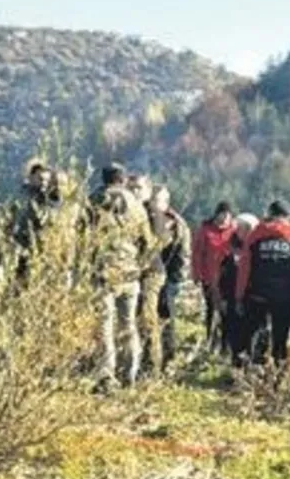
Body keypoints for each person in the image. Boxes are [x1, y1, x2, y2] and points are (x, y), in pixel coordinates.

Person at [84, 163, 153, 389]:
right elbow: (147, 241)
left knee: (104, 325)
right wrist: (139, 264)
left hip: (103, 272)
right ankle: (129, 372)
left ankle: (106, 375)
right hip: (130, 273)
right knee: (128, 323)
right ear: (122, 179)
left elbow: (81, 233)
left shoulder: (94, 200)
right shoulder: (136, 204)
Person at [235, 200, 290, 365]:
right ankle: (278, 374)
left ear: (269, 215)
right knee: (281, 337)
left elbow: (244, 269)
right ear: (287, 217)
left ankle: (256, 370)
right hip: (286, 297)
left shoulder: (254, 237)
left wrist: (239, 296)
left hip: (257, 295)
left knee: (257, 333)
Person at [142, 185, 190, 372]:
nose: (153, 203)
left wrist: (176, 278)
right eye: (152, 199)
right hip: (148, 275)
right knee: (147, 317)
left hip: (169, 274)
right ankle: (150, 357)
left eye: (158, 200)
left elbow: (183, 252)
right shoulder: (144, 218)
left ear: (165, 202)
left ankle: (168, 358)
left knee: (166, 315)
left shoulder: (176, 223)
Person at [192, 201, 236, 351]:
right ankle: (210, 340)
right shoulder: (205, 230)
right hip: (209, 277)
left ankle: (225, 344)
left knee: (227, 312)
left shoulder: (234, 231)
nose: (224, 219)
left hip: (228, 279)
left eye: (227, 216)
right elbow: (197, 254)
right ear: (216, 215)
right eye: (221, 215)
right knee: (211, 309)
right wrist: (197, 275)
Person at [219, 213, 257, 364]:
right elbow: (222, 273)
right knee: (233, 329)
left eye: (247, 229)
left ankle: (249, 362)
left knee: (250, 331)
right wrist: (222, 295)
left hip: (252, 295)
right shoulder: (230, 247)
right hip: (231, 294)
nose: (244, 232)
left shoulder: (257, 247)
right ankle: (236, 363)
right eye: (241, 228)